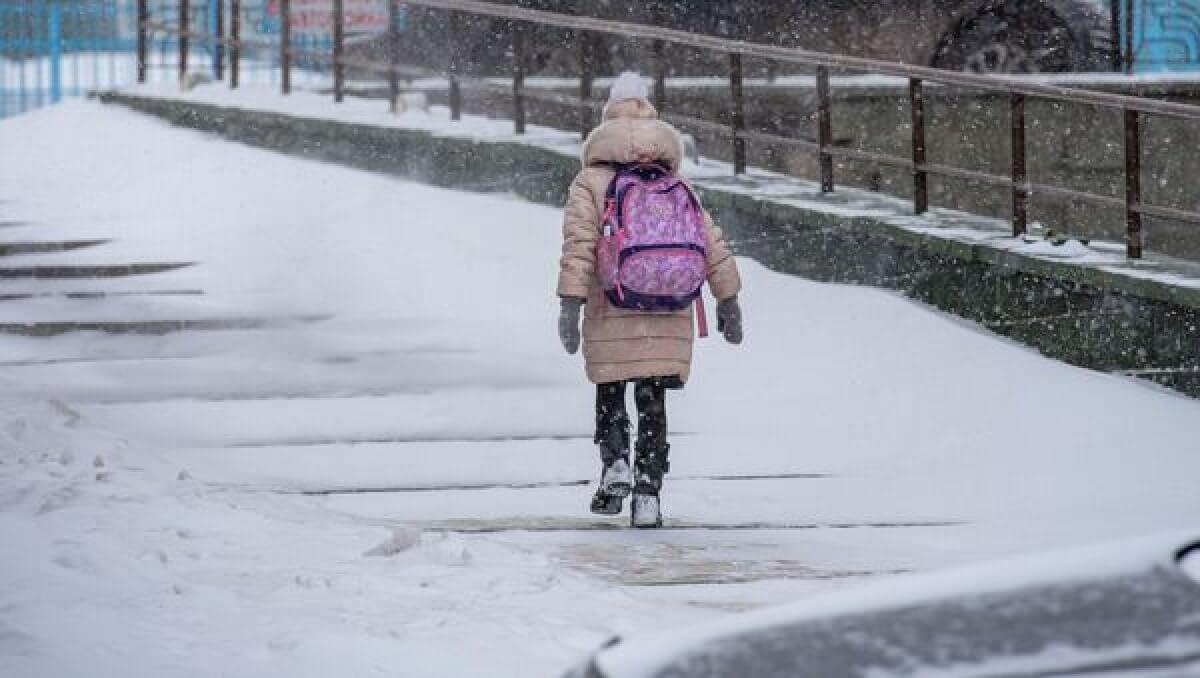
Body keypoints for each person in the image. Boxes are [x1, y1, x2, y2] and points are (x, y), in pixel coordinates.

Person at [556, 72, 744, 528]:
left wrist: (570, 300)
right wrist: (729, 298)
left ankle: (615, 460)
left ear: (606, 123)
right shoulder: (674, 180)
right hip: (669, 305)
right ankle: (648, 494)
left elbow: (580, 243)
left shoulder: (591, 181)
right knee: (653, 396)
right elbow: (709, 240)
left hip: (611, 304)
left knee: (612, 387)